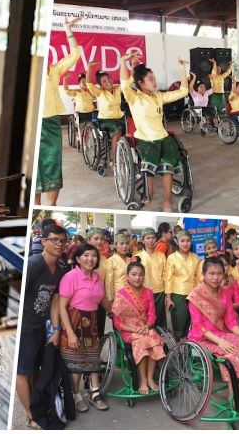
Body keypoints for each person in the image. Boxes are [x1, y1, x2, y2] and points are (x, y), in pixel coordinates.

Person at [187, 257, 239, 413]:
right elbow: (198, 326)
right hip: (202, 338)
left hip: (221, 333)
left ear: (224, 274)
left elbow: (230, 320)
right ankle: (233, 398)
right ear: (203, 274)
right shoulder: (195, 295)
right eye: (211, 273)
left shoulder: (225, 293)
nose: (215, 277)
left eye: (219, 273)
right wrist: (220, 342)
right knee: (233, 356)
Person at [120, 52, 189, 212]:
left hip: (163, 138)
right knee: (148, 162)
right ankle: (149, 193)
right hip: (145, 140)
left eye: (154, 77)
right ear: (140, 83)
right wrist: (124, 61)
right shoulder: (134, 97)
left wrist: (181, 68)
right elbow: (124, 84)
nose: (154, 81)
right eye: (150, 78)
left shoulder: (158, 96)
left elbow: (183, 91)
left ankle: (167, 201)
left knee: (168, 165)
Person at [16, 224, 69, 429]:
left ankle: (38, 406)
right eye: (54, 240)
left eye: (62, 241)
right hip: (26, 326)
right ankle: (30, 415)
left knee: (38, 369)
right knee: (23, 371)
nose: (59, 244)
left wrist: (56, 329)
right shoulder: (34, 264)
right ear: (44, 241)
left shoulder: (61, 267)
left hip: (42, 325)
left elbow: (55, 300)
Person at [58, 243, 113, 412]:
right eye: (86, 255)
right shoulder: (71, 276)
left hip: (92, 322)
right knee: (76, 363)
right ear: (77, 259)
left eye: (94, 256)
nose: (90, 259)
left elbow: (103, 300)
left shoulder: (96, 277)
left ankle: (94, 393)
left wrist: (115, 312)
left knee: (93, 358)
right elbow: (61, 307)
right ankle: (76, 396)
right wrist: (70, 333)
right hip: (74, 322)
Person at [36, 17, 82, 206]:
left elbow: (75, 54)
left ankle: (52, 206)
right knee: (34, 167)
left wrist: (67, 30)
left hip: (51, 122)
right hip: (33, 123)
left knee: (52, 163)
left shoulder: (53, 71)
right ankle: (36, 205)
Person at [112, 258, 166, 395]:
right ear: (127, 276)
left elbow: (152, 314)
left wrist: (147, 326)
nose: (138, 278)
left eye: (141, 274)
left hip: (145, 328)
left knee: (154, 339)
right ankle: (142, 380)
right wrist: (135, 329)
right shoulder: (121, 294)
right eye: (134, 274)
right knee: (142, 341)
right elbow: (118, 322)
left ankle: (150, 378)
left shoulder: (148, 292)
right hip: (129, 330)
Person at [86, 61, 125, 166]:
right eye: (104, 81)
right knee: (118, 131)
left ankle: (128, 155)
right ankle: (114, 159)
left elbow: (127, 83)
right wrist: (90, 67)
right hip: (106, 120)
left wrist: (132, 65)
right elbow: (89, 84)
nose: (108, 82)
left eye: (108, 79)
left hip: (120, 118)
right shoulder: (99, 92)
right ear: (101, 85)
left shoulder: (117, 89)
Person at [164, 230, 201, 339]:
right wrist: (168, 297)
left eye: (188, 241)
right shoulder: (172, 258)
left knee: (191, 320)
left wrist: (198, 294)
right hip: (177, 294)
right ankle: (178, 345)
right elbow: (168, 278)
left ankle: (189, 345)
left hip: (193, 294)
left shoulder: (195, 257)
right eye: (182, 241)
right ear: (177, 242)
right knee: (178, 321)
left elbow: (198, 277)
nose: (185, 243)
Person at [135, 227, 167, 329]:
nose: (151, 240)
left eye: (153, 238)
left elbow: (165, 274)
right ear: (143, 240)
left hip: (160, 291)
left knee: (160, 319)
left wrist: (167, 294)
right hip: (143, 292)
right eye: (148, 238)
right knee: (145, 319)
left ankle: (161, 341)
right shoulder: (137, 257)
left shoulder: (161, 255)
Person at [86, 227, 109, 336]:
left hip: (100, 300)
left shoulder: (104, 259)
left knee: (99, 330)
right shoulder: (83, 257)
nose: (100, 241)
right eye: (96, 238)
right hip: (85, 300)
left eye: (102, 239)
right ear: (89, 240)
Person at [104, 233, 131, 306]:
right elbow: (109, 283)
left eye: (127, 244)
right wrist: (110, 301)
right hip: (118, 296)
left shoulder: (130, 260)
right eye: (121, 243)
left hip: (132, 295)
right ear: (115, 245)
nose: (125, 246)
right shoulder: (111, 261)